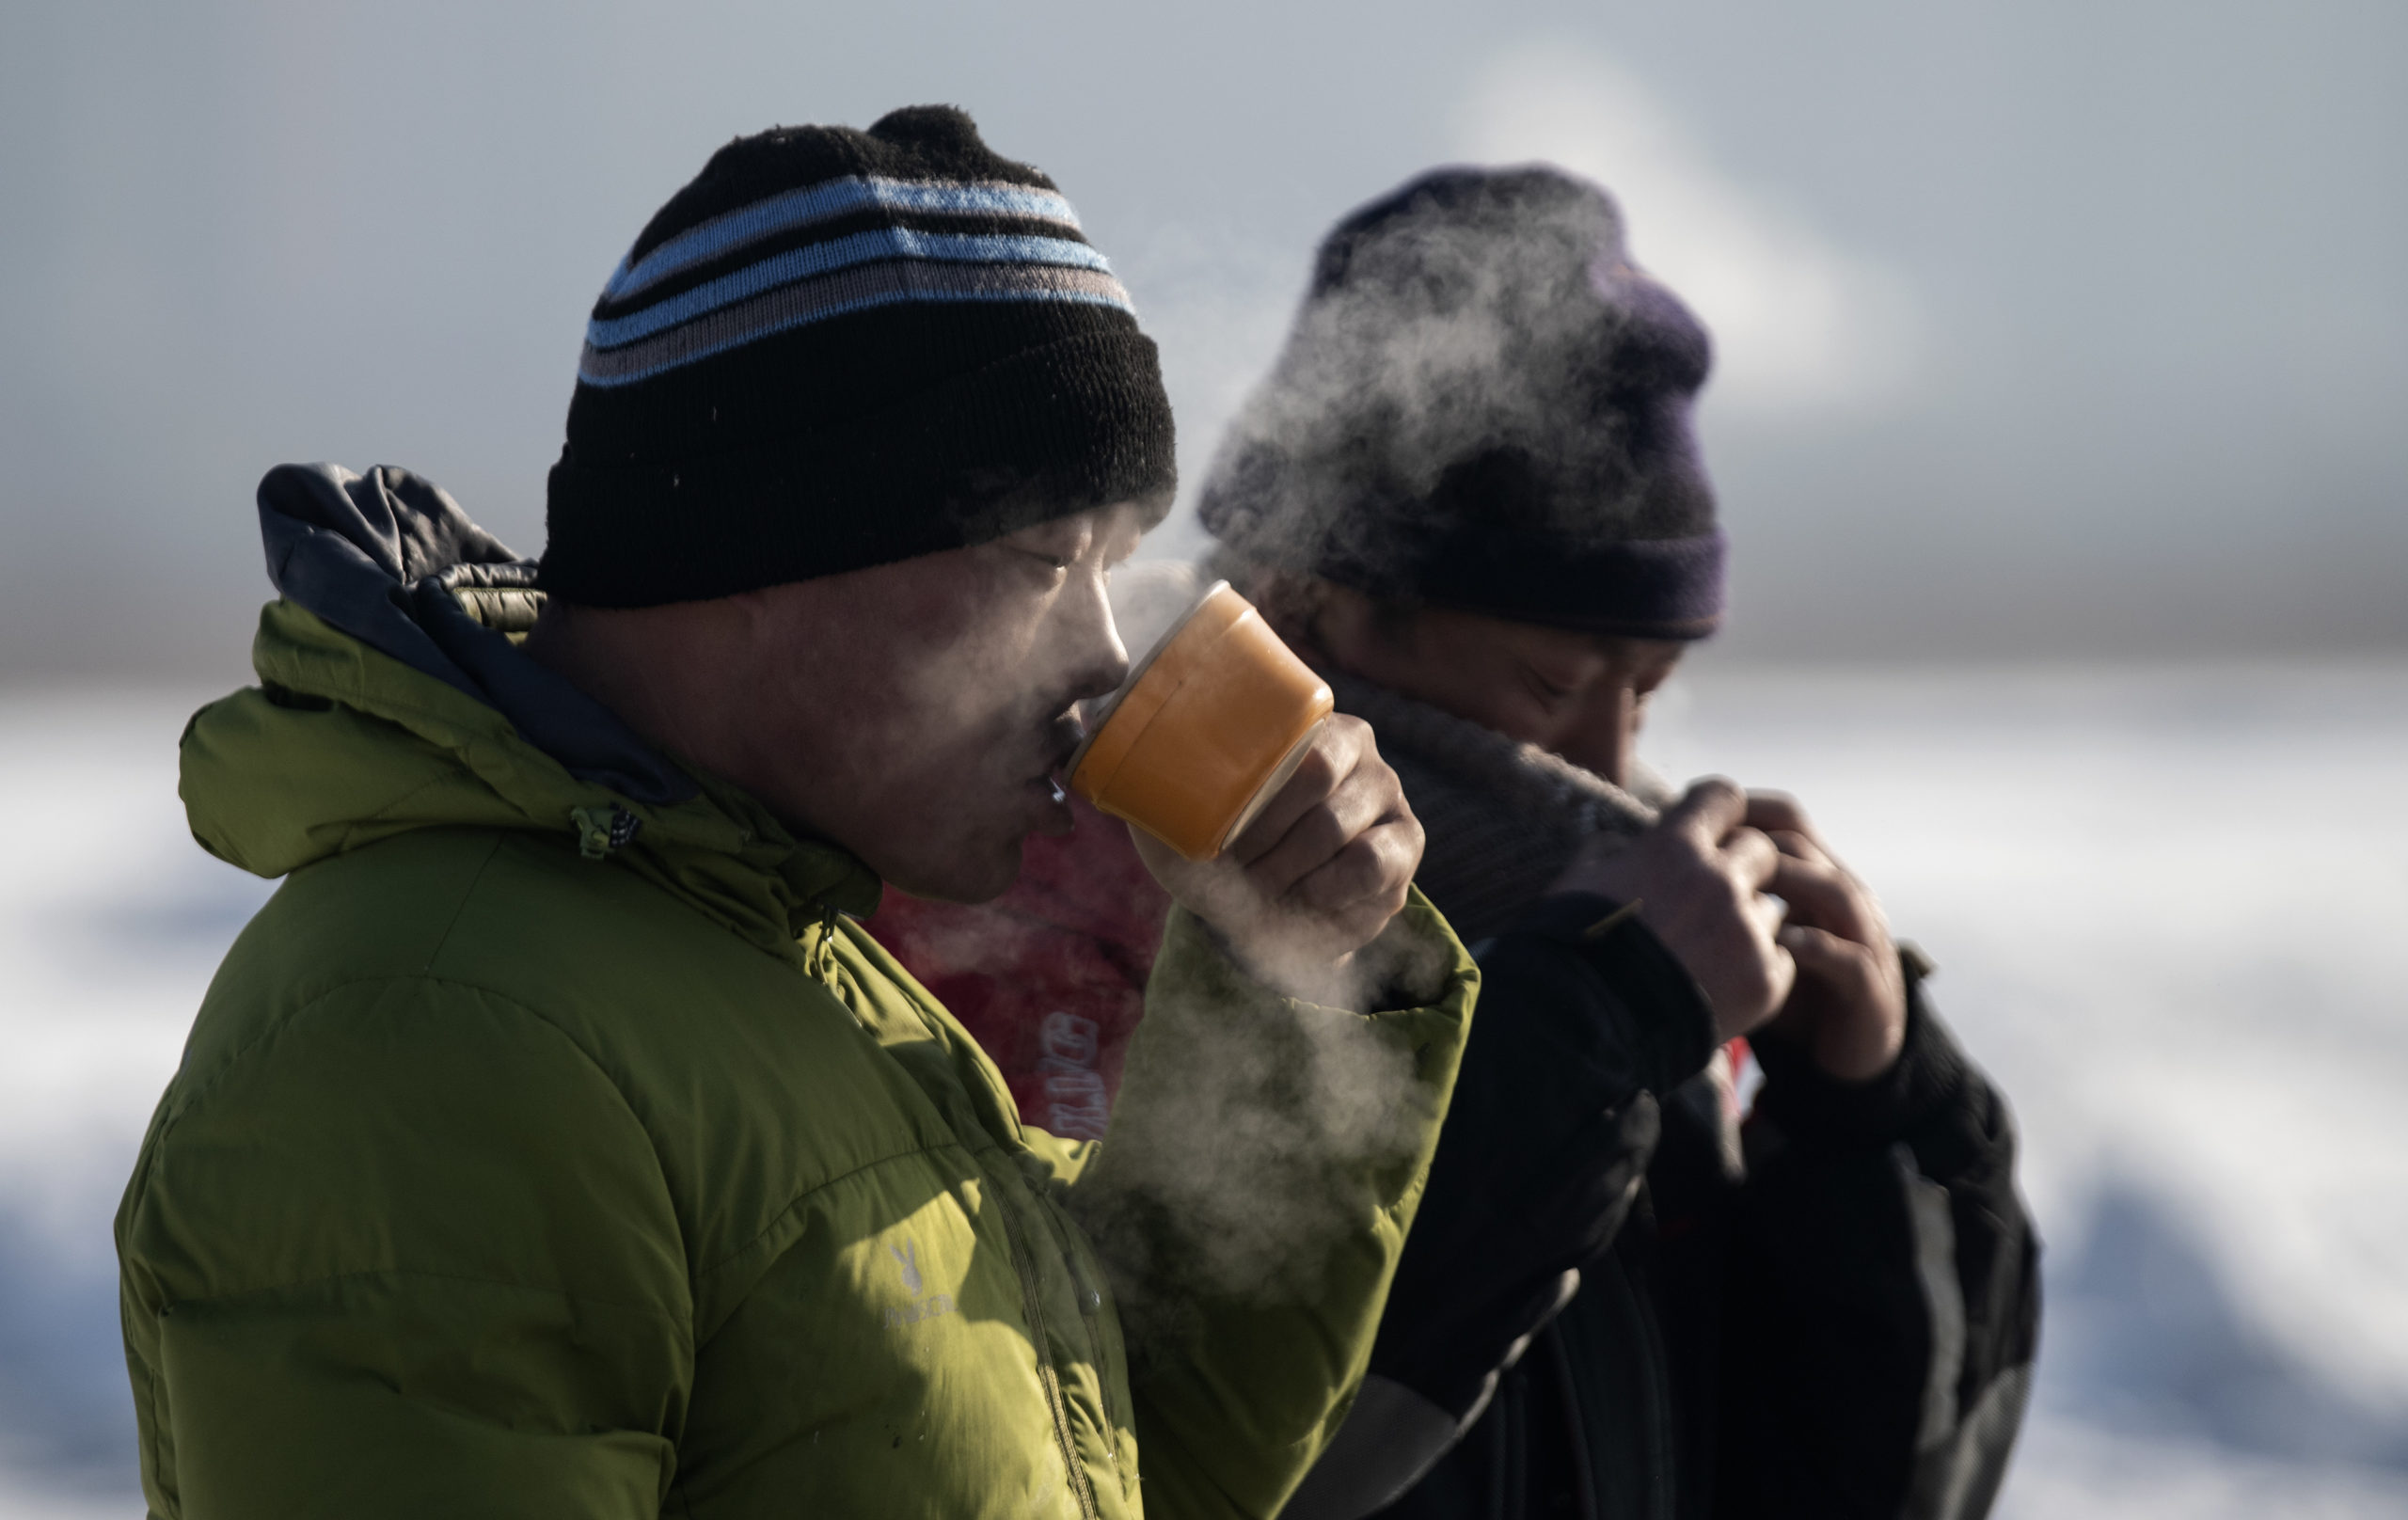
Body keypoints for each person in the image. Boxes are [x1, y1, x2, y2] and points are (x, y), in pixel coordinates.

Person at [114, 107, 1485, 1520]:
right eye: (1037, 561)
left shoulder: (784, 964)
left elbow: (1126, 1472)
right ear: (758, 548)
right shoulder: (436, 1037)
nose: (1099, 657)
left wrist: (1288, 977)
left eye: (1115, 565)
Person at [870, 166, 2040, 1519]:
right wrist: (1598, 1022)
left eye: (1647, 694)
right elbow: (1165, 1446)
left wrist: (1880, 1121)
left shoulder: (1645, 938)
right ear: (1318, 605)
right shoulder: (1056, 906)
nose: (1608, 767)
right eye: (1553, 688)